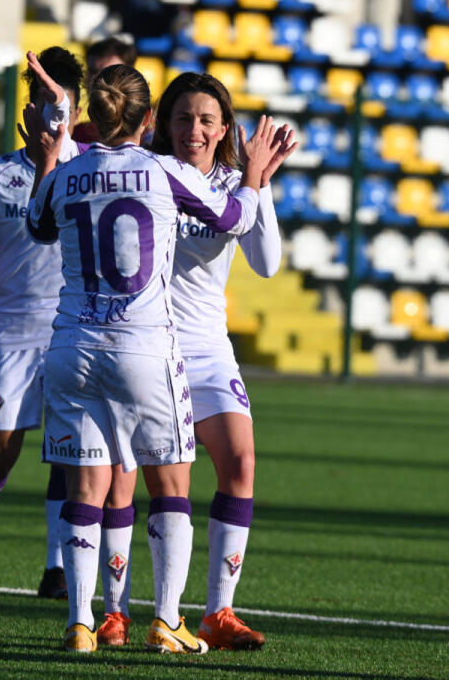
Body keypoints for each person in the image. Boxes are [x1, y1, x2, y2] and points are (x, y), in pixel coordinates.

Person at [24, 63, 283, 654]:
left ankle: (82, 624)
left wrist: (54, 148)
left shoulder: (70, 172)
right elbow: (236, 217)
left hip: (76, 346)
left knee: (87, 488)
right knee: (165, 486)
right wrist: (256, 178)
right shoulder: (163, 171)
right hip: (146, 346)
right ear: (150, 119)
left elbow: (38, 226)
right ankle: (163, 619)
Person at [93, 73, 296, 651]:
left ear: (225, 129)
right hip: (148, 345)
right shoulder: (149, 175)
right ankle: (120, 613)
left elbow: (267, 262)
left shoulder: (237, 182)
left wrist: (261, 183)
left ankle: (217, 613)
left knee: (241, 460)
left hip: (208, 350)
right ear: (162, 123)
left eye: (208, 120)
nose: (195, 131)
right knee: (135, 483)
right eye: (184, 118)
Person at [0, 46, 86, 600]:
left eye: (57, 101)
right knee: (2, 449)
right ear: (25, 108)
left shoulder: (86, 168)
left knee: (67, 449)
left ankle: (55, 569)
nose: (46, 111)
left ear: (72, 109)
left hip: (71, 329)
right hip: (9, 329)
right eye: (37, 99)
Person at [70, 37, 136, 145]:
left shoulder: (151, 137)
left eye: (109, 72)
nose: (97, 80)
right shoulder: (74, 136)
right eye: (92, 72)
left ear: (132, 78)